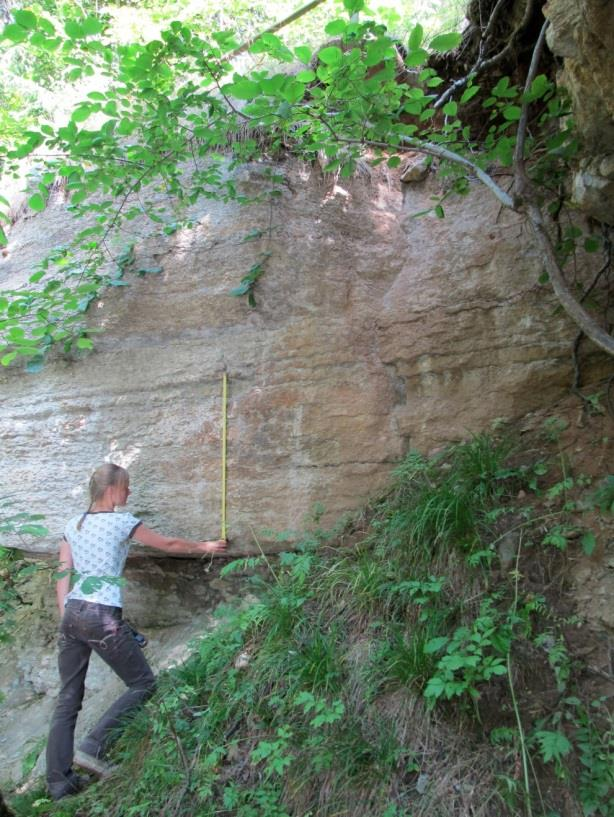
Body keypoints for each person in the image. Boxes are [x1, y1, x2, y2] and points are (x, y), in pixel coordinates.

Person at [46, 463, 227, 801]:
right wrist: (206, 546)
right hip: (101, 613)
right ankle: (93, 746)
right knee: (143, 683)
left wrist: (66, 614)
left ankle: (58, 782)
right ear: (112, 489)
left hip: (72, 612)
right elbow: (169, 544)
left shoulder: (73, 524)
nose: (129, 493)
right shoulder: (122, 522)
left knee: (67, 697)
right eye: (126, 487)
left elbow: (62, 571)